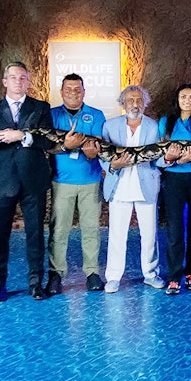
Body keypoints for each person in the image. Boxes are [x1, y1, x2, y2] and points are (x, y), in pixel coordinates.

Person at [0, 61, 55, 302]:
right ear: (4, 81)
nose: (18, 81)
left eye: (23, 77)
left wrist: (24, 136)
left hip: (33, 180)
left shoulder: (41, 108)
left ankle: (36, 283)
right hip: (3, 181)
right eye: (13, 77)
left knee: (36, 233)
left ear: (28, 81)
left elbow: (48, 142)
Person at [101, 85, 178, 293]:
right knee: (117, 235)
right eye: (130, 100)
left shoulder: (154, 127)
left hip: (146, 186)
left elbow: (157, 160)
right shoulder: (109, 126)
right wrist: (111, 166)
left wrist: (169, 158)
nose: (135, 104)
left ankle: (151, 274)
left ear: (145, 103)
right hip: (119, 186)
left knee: (150, 234)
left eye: (139, 100)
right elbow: (102, 155)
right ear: (123, 103)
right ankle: (113, 277)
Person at [47, 74, 105, 295]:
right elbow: (47, 147)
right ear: (61, 92)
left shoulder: (96, 115)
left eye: (77, 89)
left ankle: (92, 272)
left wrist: (92, 152)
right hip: (61, 181)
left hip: (90, 180)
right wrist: (65, 146)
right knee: (59, 229)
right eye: (68, 89)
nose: (73, 92)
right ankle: (56, 273)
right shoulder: (52, 115)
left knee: (91, 229)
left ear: (84, 91)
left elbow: (97, 146)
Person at [158, 84, 191, 295]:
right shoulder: (165, 123)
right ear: (177, 99)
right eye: (183, 96)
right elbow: (161, 155)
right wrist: (174, 159)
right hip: (173, 179)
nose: (187, 100)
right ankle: (173, 276)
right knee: (174, 229)